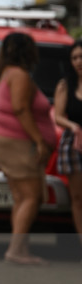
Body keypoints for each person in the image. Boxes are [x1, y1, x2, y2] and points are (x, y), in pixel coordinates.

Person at [0, 32, 56, 265]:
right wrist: (39, 140)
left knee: (20, 197)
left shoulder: (1, 76)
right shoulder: (20, 76)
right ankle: (16, 250)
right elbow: (20, 108)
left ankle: (20, 247)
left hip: (4, 139)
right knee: (32, 197)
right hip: (18, 143)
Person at [54, 39, 82, 247]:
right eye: (74, 58)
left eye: (81, 56)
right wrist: (73, 126)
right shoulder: (66, 85)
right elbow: (58, 116)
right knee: (77, 196)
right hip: (74, 143)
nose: (79, 61)